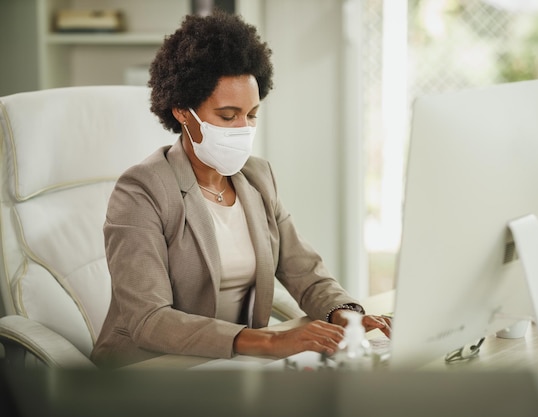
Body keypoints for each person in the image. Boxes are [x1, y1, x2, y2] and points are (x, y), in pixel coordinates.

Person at [91, 11, 390, 368]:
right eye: (228, 115)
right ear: (183, 112)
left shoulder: (258, 178)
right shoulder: (141, 191)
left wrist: (345, 315)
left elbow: (305, 274)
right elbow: (149, 319)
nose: (243, 128)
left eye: (251, 115)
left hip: (233, 364)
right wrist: (269, 341)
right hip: (151, 368)